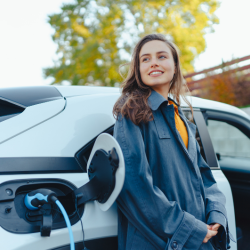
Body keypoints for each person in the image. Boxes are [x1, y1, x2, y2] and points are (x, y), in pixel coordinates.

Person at [112, 34, 231, 250]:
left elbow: (204, 176)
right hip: (160, 240)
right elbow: (135, 185)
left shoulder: (180, 117)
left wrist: (215, 214)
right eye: (145, 59)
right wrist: (189, 228)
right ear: (138, 70)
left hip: (199, 237)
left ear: (175, 66)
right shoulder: (131, 111)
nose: (154, 62)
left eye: (161, 56)